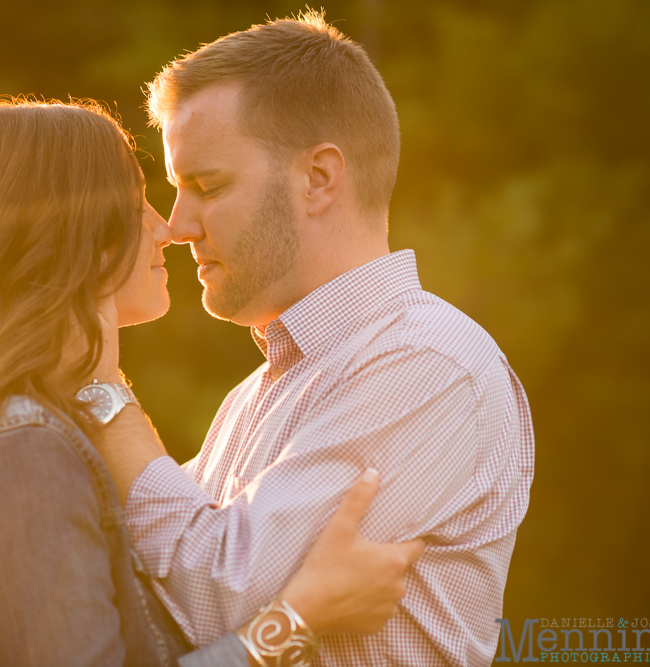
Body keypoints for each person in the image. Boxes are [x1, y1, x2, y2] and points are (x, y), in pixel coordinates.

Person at [0, 98, 424, 667]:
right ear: (77, 228)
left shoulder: (0, 428)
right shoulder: (16, 450)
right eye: (140, 203)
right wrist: (298, 619)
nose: (166, 229)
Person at [87, 12, 537, 667]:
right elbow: (157, 593)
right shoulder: (256, 394)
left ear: (319, 179)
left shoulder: (427, 365)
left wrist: (101, 389)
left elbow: (217, 594)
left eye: (206, 186)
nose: (178, 224)